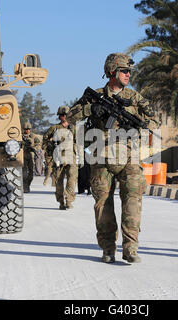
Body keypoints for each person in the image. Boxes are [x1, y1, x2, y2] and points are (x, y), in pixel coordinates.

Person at [67, 53, 157, 264]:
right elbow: (70, 116)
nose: (128, 74)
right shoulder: (95, 95)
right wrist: (91, 108)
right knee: (103, 204)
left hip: (129, 155)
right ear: (111, 72)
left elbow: (153, 121)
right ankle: (108, 248)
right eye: (124, 71)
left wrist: (135, 127)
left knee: (133, 200)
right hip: (101, 155)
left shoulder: (135, 98)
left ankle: (130, 248)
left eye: (129, 71)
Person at [42, 106, 78, 210]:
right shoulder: (54, 129)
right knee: (59, 182)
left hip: (71, 157)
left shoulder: (74, 128)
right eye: (62, 115)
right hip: (58, 158)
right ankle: (61, 201)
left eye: (66, 115)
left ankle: (69, 200)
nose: (65, 117)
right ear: (59, 117)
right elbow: (44, 141)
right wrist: (51, 145)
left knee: (72, 179)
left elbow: (80, 143)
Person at [22, 122, 41, 193]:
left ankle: (27, 185)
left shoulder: (33, 136)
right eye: (26, 129)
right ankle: (25, 187)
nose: (27, 130)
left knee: (30, 174)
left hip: (31, 156)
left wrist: (34, 148)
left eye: (28, 129)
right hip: (23, 156)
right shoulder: (21, 137)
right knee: (24, 173)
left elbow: (38, 144)